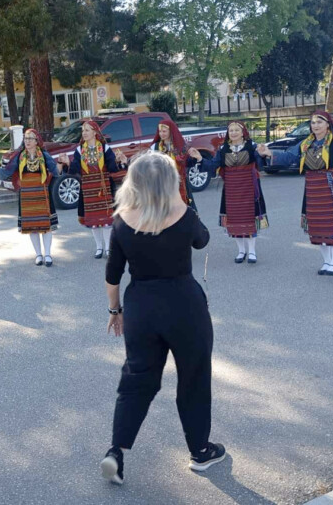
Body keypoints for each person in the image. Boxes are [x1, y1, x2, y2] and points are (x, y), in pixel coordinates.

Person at [101, 151, 225, 485]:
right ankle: (200, 451)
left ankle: (116, 452)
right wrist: (180, 202)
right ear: (170, 181)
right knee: (194, 377)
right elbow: (203, 240)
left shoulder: (122, 220)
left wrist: (115, 312)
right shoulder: (183, 213)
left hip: (141, 307)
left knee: (137, 380)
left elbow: (113, 275)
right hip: (184, 306)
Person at [257, 110, 333, 275]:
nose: (315, 125)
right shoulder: (306, 144)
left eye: (319, 122)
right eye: (313, 122)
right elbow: (289, 156)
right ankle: (326, 262)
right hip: (313, 188)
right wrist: (269, 153)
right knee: (317, 227)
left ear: (328, 124)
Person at [188, 121, 269, 263]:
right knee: (235, 220)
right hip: (232, 189)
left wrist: (262, 155)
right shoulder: (223, 149)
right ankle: (241, 251)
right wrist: (199, 158)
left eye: (236, 130)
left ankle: (252, 251)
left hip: (249, 187)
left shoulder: (252, 146)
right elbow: (213, 165)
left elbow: (260, 164)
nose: (233, 133)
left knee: (249, 218)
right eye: (231, 130)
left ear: (243, 132)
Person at [0, 129, 61, 266]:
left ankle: (47, 254)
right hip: (27, 196)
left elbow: (56, 172)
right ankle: (38, 255)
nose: (27, 141)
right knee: (32, 226)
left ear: (37, 141)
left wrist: (62, 162)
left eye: (31, 138)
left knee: (46, 226)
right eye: (26, 138)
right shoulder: (19, 156)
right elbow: (5, 173)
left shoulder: (45, 155)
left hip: (42, 194)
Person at [57, 121, 127, 258]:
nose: (84, 133)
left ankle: (108, 248)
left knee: (106, 221)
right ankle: (99, 247)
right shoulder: (79, 150)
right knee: (94, 222)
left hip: (104, 186)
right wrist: (67, 163)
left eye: (87, 130)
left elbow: (112, 168)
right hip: (88, 187)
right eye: (83, 130)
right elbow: (75, 170)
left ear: (95, 132)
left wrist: (120, 161)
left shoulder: (105, 148)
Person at [150, 119, 198, 211]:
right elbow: (147, 163)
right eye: (160, 131)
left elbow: (188, 163)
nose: (161, 134)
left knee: (181, 209)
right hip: (162, 184)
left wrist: (195, 158)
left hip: (179, 183)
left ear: (170, 131)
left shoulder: (180, 146)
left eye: (164, 131)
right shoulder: (155, 147)